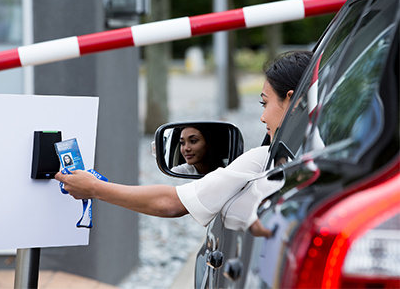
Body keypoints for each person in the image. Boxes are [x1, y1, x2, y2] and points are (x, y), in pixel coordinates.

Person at [55, 50, 313, 238]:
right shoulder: (321, 151)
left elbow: (171, 203)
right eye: (182, 143)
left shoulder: (264, 159)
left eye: (264, 103)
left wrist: (96, 188)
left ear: (292, 101)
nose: (262, 116)